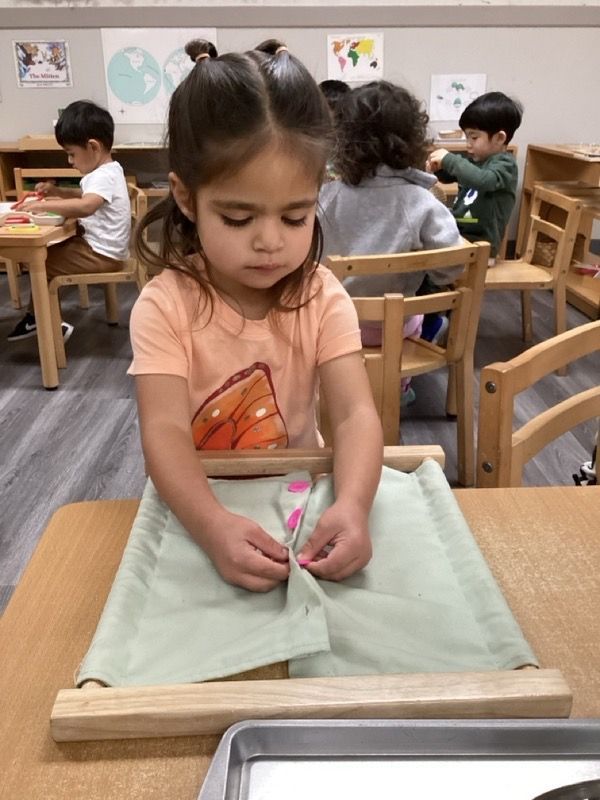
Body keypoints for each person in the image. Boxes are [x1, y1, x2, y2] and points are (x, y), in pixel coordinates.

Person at [129, 39, 383, 593]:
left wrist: (353, 504)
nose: (270, 242)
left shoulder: (321, 297)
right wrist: (211, 524)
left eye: (295, 218)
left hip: (301, 498)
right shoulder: (165, 306)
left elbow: (354, 416)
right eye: (239, 218)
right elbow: (164, 431)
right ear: (187, 198)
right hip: (201, 503)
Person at [318, 80, 462, 403]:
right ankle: (398, 387)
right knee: (417, 314)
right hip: (393, 329)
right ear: (412, 140)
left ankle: (336, 392)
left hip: (331, 328)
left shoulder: (326, 197)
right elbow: (451, 268)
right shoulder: (421, 201)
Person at [7, 100, 131, 342]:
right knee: (46, 257)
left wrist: (43, 205)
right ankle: (36, 317)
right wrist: (58, 192)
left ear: (93, 147)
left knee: (40, 263)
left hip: (101, 255)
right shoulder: (110, 170)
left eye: (72, 154)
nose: (70, 161)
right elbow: (87, 196)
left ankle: (48, 324)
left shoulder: (101, 176)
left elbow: (86, 206)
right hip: (104, 250)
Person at [426, 91, 523, 261]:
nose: (468, 144)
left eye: (474, 137)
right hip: (462, 236)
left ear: (499, 138)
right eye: (467, 137)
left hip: (481, 245)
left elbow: (483, 180)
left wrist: (450, 160)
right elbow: (460, 176)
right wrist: (440, 169)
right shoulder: (478, 161)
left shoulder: (505, 165)